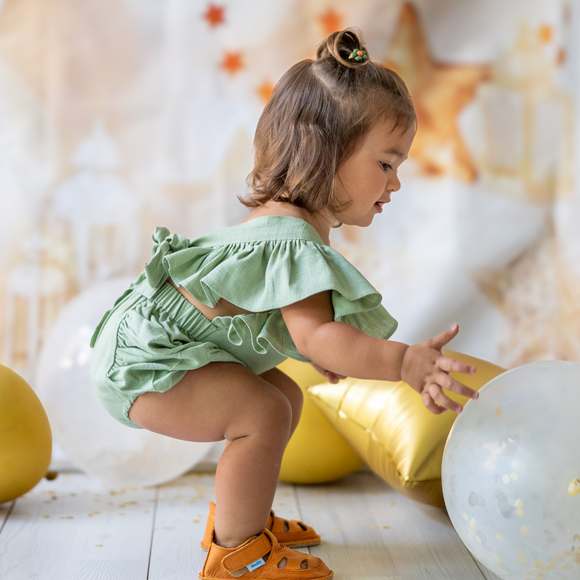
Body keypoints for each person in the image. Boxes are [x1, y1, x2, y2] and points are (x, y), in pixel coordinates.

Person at [90, 28, 479, 580]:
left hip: (153, 350)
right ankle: (238, 553)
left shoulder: (286, 231)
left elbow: (264, 315)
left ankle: (240, 516)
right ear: (327, 154)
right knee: (262, 413)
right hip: (146, 363)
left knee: (284, 395)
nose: (395, 183)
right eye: (387, 163)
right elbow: (315, 335)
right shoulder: (293, 240)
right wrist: (403, 362)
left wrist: (319, 345)